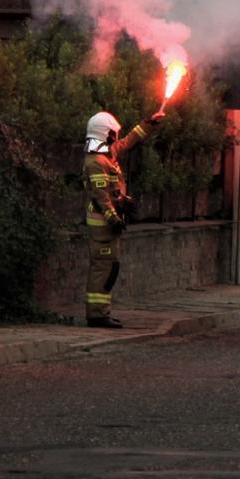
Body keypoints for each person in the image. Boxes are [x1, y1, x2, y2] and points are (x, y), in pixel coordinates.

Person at [81, 107, 166, 328]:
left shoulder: (107, 154)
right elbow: (101, 196)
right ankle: (97, 315)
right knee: (103, 267)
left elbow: (129, 141)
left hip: (109, 223)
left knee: (111, 266)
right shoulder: (96, 162)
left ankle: (102, 312)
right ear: (104, 133)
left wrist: (149, 122)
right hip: (103, 226)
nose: (115, 137)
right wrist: (113, 218)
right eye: (112, 133)